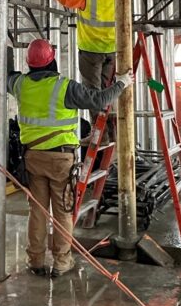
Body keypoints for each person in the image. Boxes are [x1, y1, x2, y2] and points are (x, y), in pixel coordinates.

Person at [8, 37, 131, 277]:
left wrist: (7, 50)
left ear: (30, 63)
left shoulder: (20, 84)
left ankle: (35, 261)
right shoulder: (64, 86)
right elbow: (99, 100)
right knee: (62, 212)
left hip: (31, 158)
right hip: (60, 160)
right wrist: (122, 83)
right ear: (52, 60)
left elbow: (6, 76)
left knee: (38, 212)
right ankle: (62, 261)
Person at [47, 0, 116, 89]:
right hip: (112, 49)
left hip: (91, 49)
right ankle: (105, 110)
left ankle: (98, 111)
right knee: (107, 89)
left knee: (92, 91)